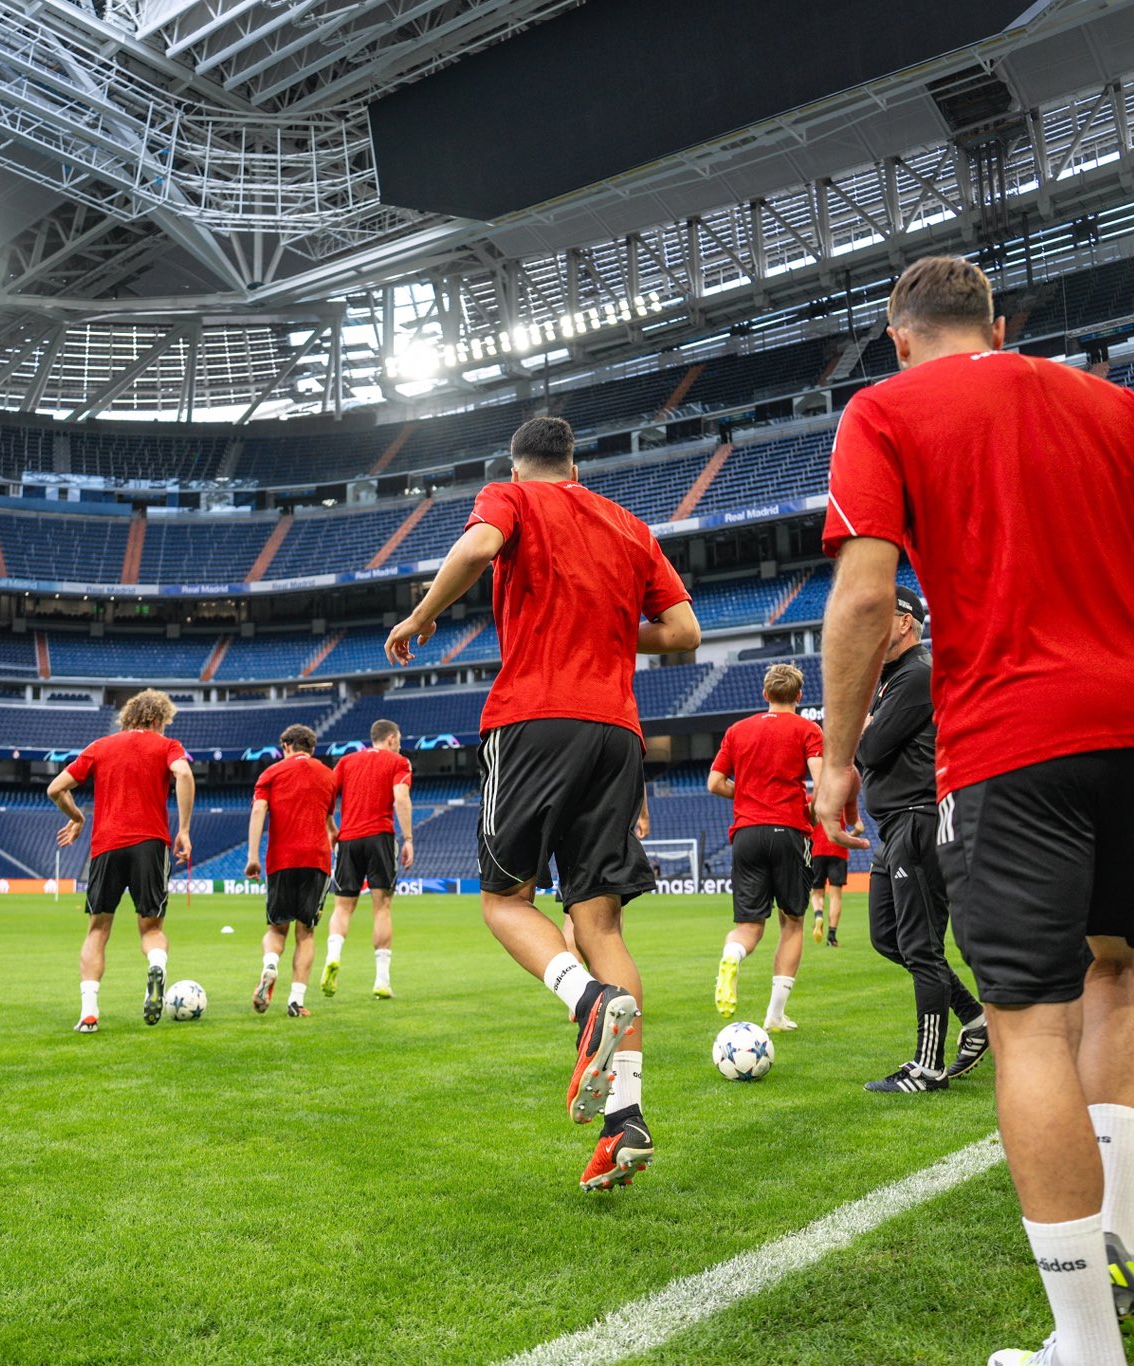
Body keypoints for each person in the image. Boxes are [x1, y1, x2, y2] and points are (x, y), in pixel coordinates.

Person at [813, 256, 1134, 1366]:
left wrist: (834, 756)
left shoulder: (880, 409)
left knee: (1025, 1017)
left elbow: (866, 592)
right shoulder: (1107, 401)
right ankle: (1112, 1235)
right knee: (1115, 971)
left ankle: (1083, 1346)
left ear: (897, 335)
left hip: (1015, 734)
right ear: (997, 324)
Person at [385, 414, 700, 1193]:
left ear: (519, 466)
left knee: (503, 901)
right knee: (600, 921)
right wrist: (604, 631)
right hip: (619, 731)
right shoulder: (628, 525)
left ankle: (588, 999)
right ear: (577, 461)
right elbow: (685, 632)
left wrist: (422, 616)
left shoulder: (510, 498)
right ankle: (625, 1121)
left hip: (533, 720)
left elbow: (479, 546)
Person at [854, 586, 989, 1094]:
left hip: (917, 820)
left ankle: (927, 1067)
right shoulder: (893, 679)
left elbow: (868, 747)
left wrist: (866, 732)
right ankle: (974, 1018)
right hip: (893, 826)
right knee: (888, 938)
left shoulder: (917, 674)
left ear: (906, 621)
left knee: (920, 944)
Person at [48, 690, 195, 1032]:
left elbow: (56, 788)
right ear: (158, 720)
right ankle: (156, 966)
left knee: (98, 930)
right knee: (152, 928)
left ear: (128, 718)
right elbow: (184, 775)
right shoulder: (167, 745)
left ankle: (88, 1013)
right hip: (150, 843)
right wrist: (184, 829)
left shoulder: (101, 746)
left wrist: (78, 818)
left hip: (106, 846)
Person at [707, 663, 822, 1032]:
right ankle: (774, 1015)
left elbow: (714, 782)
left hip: (746, 834)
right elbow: (821, 783)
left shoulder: (738, 730)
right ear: (799, 696)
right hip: (789, 830)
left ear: (765, 694)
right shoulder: (808, 729)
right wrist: (813, 814)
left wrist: (744, 794)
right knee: (792, 922)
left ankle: (731, 955)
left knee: (748, 926)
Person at [245, 724, 338, 1018]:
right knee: (306, 933)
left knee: (276, 928)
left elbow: (259, 810)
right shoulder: (329, 776)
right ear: (311, 748)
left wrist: (252, 856)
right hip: (317, 860)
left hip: (282, 859)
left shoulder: (271, 774)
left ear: (286, 746)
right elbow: (327, 819)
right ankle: (296, 1001)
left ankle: (270, 964)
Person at [324, 720, 414, 1000]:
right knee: (382, 907)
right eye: (398, 738)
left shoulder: (346, 762)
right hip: (380, 837)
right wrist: (408, 838)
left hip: (348, 839)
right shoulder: (398, 762)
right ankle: (382, 980)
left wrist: (331, 829)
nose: (400, 743)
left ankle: (333, 956)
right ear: (389, 739)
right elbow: (400, 798)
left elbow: (327, 797)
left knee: (342, 906)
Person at [810, 726, 860, 948]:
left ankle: (818, 914)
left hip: (817, 851)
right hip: (838, 850)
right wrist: (848, 835)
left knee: (817, 892)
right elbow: (857, 826)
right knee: (837, 894)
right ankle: (832, 936)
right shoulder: (842, 797)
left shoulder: (814, 797)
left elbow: (808, 822)